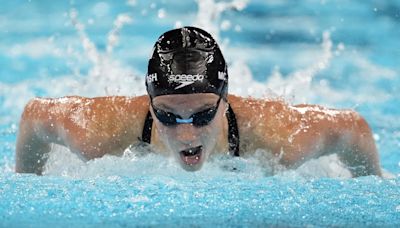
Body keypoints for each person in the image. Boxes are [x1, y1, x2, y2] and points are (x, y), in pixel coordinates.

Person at [15, 26, 382, 177]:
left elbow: (352, 127)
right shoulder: (98, 133)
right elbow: (33, 116)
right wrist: (27, 180)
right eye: (169, 117)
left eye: (203, 114)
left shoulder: (280, 137)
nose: (187, 132)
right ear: (151, 104)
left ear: (225, 101)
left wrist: (373, 182)